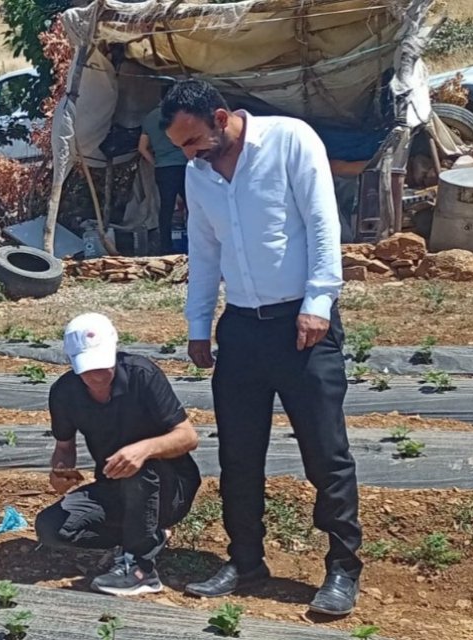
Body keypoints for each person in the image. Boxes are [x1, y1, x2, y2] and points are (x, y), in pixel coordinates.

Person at [161, 79, 362, 615]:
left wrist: (319, 302)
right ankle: (245, 561)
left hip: (303, 326)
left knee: (326, 452)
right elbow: (203, 252)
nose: (189, 154)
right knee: (239, 454)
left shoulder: (291, 141)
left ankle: (343, 568)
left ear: (222, 117)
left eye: (193, 140)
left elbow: (323, 225)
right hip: (242, 329)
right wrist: (199, 324)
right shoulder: (197, 173)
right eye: (181, 146)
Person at [36, 313, 200, 597]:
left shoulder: (143, 375)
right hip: (113, 485)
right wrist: (60, 472)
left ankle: (141, 568)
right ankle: (147, 536)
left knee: (137, 467)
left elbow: (188, 437)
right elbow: (64, 447)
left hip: (170, 488)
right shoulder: (64, 393)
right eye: (88, 368)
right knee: (51, 528)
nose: (98, 375)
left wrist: (143, 449)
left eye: (103, 365)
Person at [139, 97, 188, 254]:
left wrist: (155, 163)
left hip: (163, 169)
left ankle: (165, 247)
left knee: (166, 208)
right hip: (183, 166)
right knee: (193, 207)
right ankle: (195, 243)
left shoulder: (149, 118)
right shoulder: (177, 114)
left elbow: (142, 148)